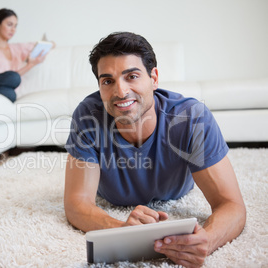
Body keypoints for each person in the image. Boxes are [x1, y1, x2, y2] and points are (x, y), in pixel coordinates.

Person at [64, 32, 246, 267]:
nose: (120, 92)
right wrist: (123, 230)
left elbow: (232, 205)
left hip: (176, 192)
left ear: (154, 78)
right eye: (107, 81)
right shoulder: (88, 115)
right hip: (112, 199)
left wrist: (208, 240)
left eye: (132, 76)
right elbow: (76, 203)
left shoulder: (192, 118)